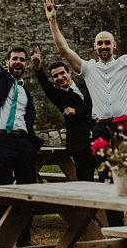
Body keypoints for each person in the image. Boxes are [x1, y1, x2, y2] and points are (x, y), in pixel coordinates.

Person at [45, 0, 127, 227]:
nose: (103, 46)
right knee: (107, 177)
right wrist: (53, 21)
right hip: (101, 127)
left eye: (107, 42)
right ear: (95, 46)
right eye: (99, 43)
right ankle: (116, 226)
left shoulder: (126, 63)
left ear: (114, 45)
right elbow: (63, 50)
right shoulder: (88, 69)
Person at [0, 2, 42, 247]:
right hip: (1, 141)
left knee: (27, 194)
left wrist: (30, 143)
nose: (19, 63)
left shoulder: (26, 94)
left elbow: (28, 119)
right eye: (15, 59)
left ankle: (24, 239)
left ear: (25, 64)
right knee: (3, 193)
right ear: (8, 61)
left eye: (22, 60)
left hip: (23, 143)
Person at [30, 48, 95, 182]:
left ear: (69, 72)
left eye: (62, 73)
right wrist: (38, 68)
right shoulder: (59, 96)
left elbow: (98, 107)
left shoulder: (86, 85)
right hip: (80, 144)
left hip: (99, 137)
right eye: (55, 76)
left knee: (109, 176)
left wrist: (77, 111)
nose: (60, 78)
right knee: (85, 180)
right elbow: (46, 86)